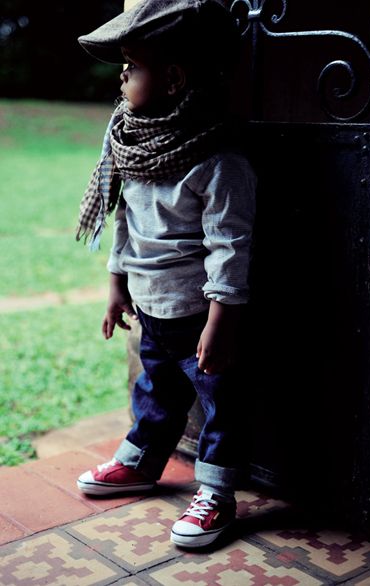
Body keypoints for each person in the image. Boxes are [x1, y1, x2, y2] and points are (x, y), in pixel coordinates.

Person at [75, 0, 257, 548]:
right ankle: (142, 460)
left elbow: (231, 245)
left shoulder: (218, 163)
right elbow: (124, 223)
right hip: (151, 309)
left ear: (175, 78)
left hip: (200, 314)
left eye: (134, 62)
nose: (123, 73)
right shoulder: (133, 147)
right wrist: (115, 287)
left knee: (221, 403)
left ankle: (217, 493)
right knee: (156, 392)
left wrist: (221, 321)